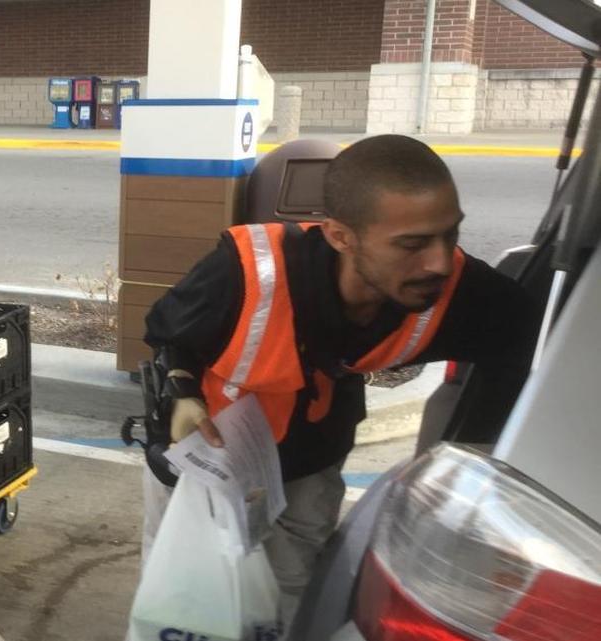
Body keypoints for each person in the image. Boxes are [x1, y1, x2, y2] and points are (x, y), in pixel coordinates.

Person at [142, 134, 539, 629]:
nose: (438, 262)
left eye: (449, 235)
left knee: (289, 592)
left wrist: (483, 457)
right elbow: (168, 333)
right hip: (209, 460)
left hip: (311, 458)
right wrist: (181, 393)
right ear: (339, 236)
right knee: (186, 600)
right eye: (411, 244)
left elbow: (530, 342)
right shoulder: (245, 272)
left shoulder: (461, 293)